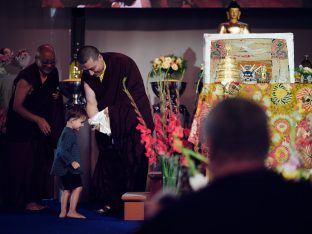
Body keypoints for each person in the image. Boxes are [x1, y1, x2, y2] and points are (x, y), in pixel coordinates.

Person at [136, 98, 312, 233]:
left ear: (209, 145)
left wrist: (155, 220)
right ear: (268, 142)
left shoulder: (179, 218)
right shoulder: (304, 203)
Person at [77, 45, 153, 215]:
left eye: (92, 68)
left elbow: (136, 97)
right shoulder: (87, 76)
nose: (90, 73)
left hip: (133, 121)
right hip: (108, 121)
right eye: (86, 70)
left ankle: (133, 205)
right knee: (109, 159)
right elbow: (91, 102)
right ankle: (111, 202)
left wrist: (111, 111)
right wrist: (95, 122)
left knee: (135, 160)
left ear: (100, 58)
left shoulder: (123, 63)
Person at [4, 44, 64, 211]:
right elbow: (16, 106)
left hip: (41, 127)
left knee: (40, 163)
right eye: (45, 62)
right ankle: (25, 202)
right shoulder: (26, 77)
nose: (49, 65)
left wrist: (56, 95)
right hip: (22, 127)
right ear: (37, 60)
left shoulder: (54, 73)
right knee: (25, 165)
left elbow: (53, 93)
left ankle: (35, 200)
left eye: (52, 62)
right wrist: (38, 120)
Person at [50, 106, 87, 219]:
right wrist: (72, 162)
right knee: (78, 187)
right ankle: (72, 211)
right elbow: (61, 150)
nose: (82, 125)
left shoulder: (66, 131)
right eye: (81, 122)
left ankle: (63, 212)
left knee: (67, 189)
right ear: (72, 120)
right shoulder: (69, 133)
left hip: (63, 167)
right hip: (68, 168)